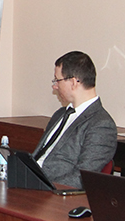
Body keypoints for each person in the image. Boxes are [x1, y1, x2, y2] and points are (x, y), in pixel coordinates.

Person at [33, 51, 117, 188]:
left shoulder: (101, 125)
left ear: (73, 82)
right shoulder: (60, 114)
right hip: (31, 184)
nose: (54, 86)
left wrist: (42, 187)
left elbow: (83, 177)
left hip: (53, 192)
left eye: (57, 80)